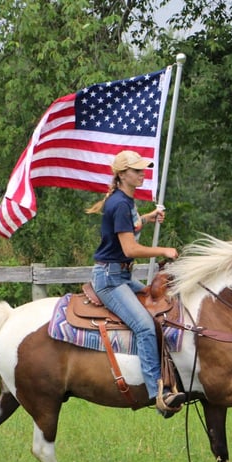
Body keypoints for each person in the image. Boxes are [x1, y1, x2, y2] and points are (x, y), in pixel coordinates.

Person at [87, 150, 186, 417]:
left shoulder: (126, 201)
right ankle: (158, 394)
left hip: (121, 276)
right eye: (137, 171)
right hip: (110, 280)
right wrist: (163, 251)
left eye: (143, 170)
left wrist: (148, 217)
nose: (143, 174)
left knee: (159, 305)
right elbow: (129, 248)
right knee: (144, 326)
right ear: (121, 175)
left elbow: (129, 227)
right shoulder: (119, 203)